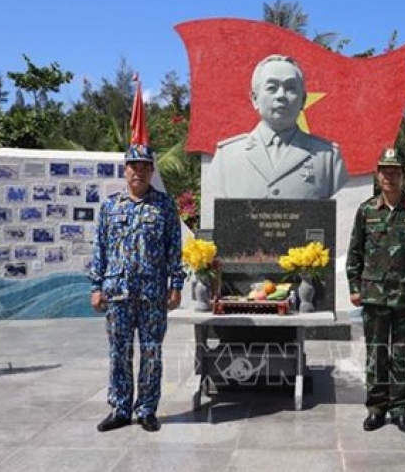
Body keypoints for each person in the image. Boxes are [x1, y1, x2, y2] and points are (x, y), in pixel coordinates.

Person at [89, 145, 185, 433]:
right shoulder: (109, 206)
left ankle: (146, 409)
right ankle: (120, 408)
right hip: (117, 292)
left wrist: (176, 285)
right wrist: (96, 286)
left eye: (144, 167)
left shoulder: (165, 206)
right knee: (119, 352)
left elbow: (174, 250)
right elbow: (100, 249)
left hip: (152, 293)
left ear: (151, 171)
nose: (138, 172)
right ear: (125, 170)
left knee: (151, 353)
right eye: (133, 166)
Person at [346, 147, 405, 435]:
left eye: (394, 171)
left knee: (402, 354)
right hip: (373, 294)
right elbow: (355, 252)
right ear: (378, 174)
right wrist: (353, 286)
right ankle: (376, 409)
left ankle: (400, 411)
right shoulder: (366, 210)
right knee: (376, 354)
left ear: (403, 174)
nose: (389, 176)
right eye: (384, 171)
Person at [208, 54, 349, 199]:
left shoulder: (327, 157)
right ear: (255, 99)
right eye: (272, 88)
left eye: (290, 88)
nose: (281, 95)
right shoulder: (228, 156)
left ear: (303, 100)